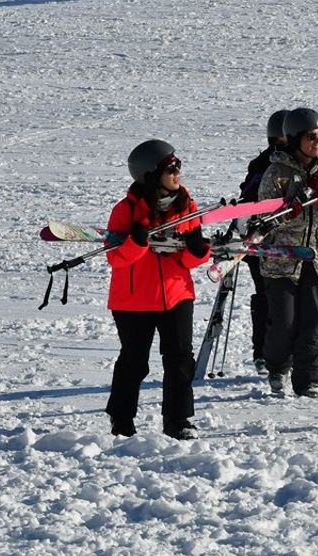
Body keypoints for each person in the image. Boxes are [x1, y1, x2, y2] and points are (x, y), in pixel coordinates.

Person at [104, 139, 211, 440]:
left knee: (180, 360)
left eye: (179, 167)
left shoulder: (187, 207)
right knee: (135, 361)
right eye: (171, 168)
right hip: (134, 300)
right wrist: (136, 243)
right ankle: (121, 418)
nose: (178, 173)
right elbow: (115, 257)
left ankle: (178, 421)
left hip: (176, 294)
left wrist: (198, 250)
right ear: (150, 174)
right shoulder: (125, 211)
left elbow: (188, 260)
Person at [257, 107, 318, 398]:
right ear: (295, 139)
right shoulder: (276, 174)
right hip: (284, 261)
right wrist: (288, 211)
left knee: (313, 322)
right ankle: (277, 366)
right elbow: (263, 222)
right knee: (284, 322)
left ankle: (310, 379)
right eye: (311, 136)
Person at [233, 109, 288, 375]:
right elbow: (249, 200)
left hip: (289, 242)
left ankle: (280, 354)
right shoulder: (263, 166)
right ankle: (264, 353)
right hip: (262, 242)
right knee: (269, 296)